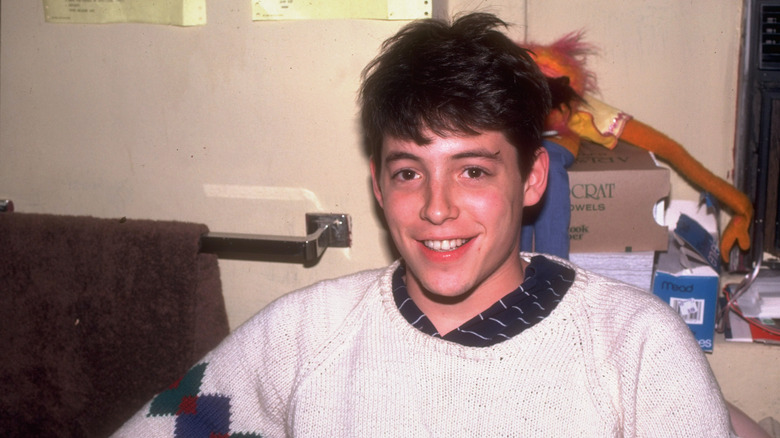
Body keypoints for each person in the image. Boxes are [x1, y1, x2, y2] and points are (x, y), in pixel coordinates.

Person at [112, 13, 736, 437]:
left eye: (473, 172)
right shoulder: (300, 337)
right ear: (379, 187)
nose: (437, 208)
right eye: (409, 173)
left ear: (533, 179)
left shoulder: (639, 350)